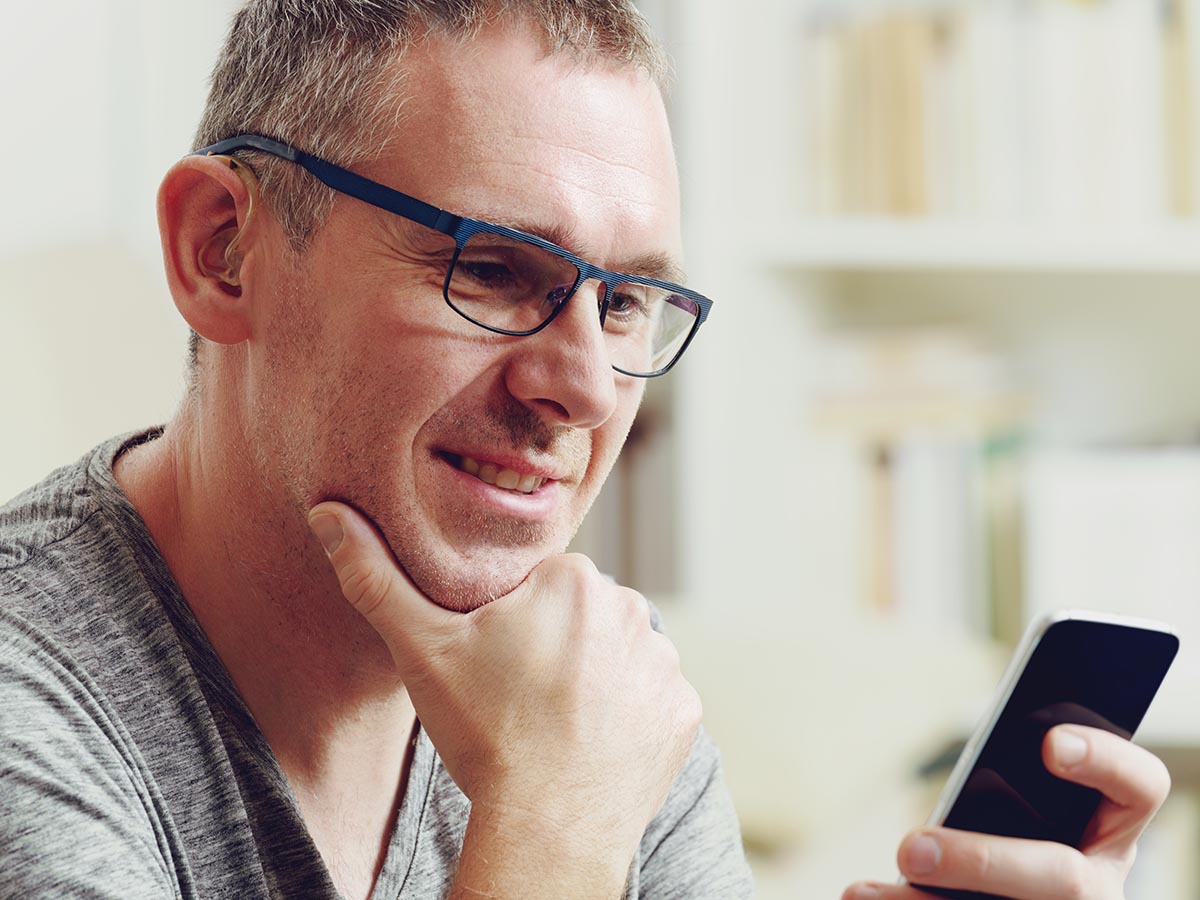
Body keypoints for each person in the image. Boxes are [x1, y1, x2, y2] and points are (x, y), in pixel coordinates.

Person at [0, 2, 1169, 900]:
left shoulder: (600, 687)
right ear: (224, 251)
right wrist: (553, 821)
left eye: (627, 304)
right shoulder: (30, 718)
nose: (584, 389)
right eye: (495, 270)